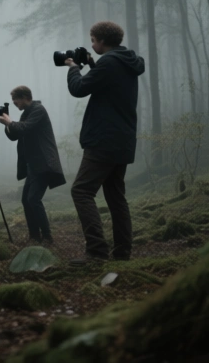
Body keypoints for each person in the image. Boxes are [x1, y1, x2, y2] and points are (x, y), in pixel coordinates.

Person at [64, 21, 145, 264]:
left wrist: (73, 67)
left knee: (81, 191)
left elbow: (79, 88)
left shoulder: (109, 63)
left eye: (93, 40)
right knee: (116, 197)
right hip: (122, 140)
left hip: (103, 140)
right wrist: (92, 64)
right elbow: (108, 84)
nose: (91, 45)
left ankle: (97, 251)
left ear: (102, 40)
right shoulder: (126, 61)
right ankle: (122, 254)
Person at [0, 85, 65, 244]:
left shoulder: (38, 110)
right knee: (26, 200)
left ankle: (47, 236)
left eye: (15, 99)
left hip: (44, 163)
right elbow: (16, 135)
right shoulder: (27, 113)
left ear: (25, 97)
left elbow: (24, 128)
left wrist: (10, 122)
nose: (14, 103)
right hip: (33, 165)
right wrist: (7, 124)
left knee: (33, 199)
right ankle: (34, 236)